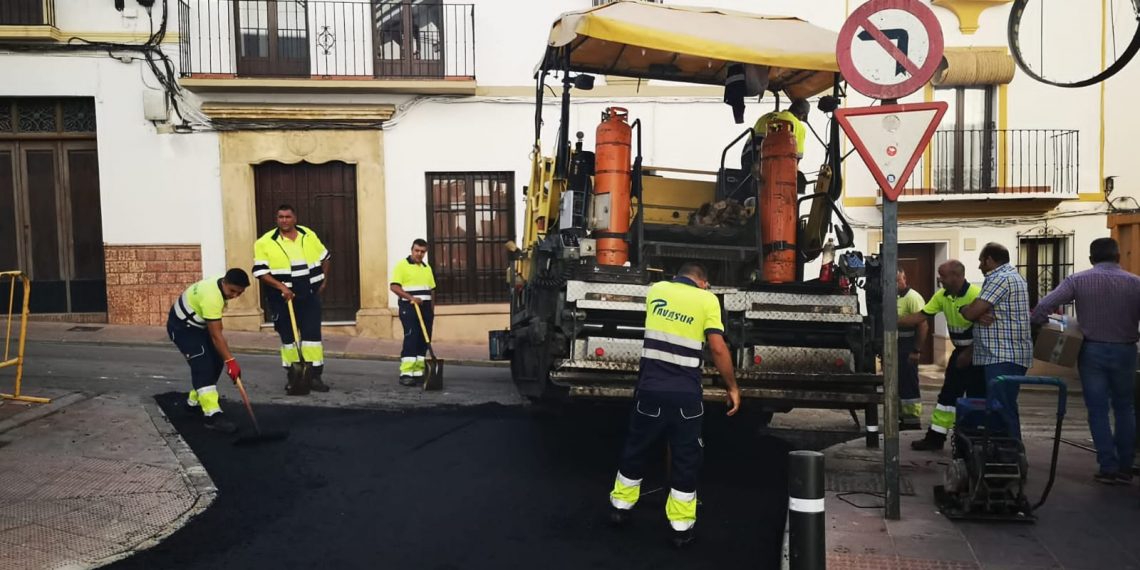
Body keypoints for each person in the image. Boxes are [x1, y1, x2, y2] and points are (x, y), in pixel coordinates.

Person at [607, 262, 740, 549]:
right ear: (703, 282)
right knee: (685, 457)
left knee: (636, 447)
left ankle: (620, 508)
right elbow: (717, 347)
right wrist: (732, 386)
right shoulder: (707, 300)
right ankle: (680, 528)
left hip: (650, 391)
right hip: (685, 397)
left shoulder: (657, 291)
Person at [1030, 237, 1140, 484]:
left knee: (1097, 409)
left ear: (1091, 259)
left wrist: (1039, 325)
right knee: (1125, 407)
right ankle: (1126, 466)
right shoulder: (1135, 283)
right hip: (1126, 350)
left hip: (1091, 351)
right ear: (1118, 257)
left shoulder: (1078, 280)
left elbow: (1044, 307)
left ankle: (1108, 467)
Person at [900, 260, 985, 451]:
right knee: (948, 396)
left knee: (976, 397)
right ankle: (936, 438)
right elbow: (921, 315)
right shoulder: (942, 295)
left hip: (978, 354)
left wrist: (970, 353)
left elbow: (987, 331)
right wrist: (892, 321)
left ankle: (973, 441)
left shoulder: (976, 296)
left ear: (957, 276)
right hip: (959, 352)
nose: (939, 279)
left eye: (943, 275)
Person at [252, 204, 331, 394]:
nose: (284, 220)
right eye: (280, 217)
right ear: (277, 219)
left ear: (295, 218)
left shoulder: (308, 234)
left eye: (288, 217)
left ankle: (314, 376)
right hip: (281, 297)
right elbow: (260, 272)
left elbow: (325, 257)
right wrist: (282, 287)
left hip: (309, 293)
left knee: (312, 337)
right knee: (288, 337)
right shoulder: (265, 242)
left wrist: (323, 281)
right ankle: (294, 377)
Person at [960, 242, 1033, 440]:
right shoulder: (1012, 276)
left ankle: (1011, 451)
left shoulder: (999, 278)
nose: (979, 266)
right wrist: (975, 311)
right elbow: (979, 311)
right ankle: (1000, 449)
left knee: (1003, 407)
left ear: (990, 260)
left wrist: (967, 310)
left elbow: (973, 311)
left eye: (981, 261)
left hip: (1003, 355)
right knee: (1000, 406)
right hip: (1004, 354)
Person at [167, 269, 251, 434]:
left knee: (216, 360)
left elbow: (216, 335)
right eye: (232, 291)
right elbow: (216, 335)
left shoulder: (219, 286)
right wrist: (231, 362)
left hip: (198, 326)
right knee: (203, 364)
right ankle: (212, 415)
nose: (234, 296)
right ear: (224, 282)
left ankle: (194, 403)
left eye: (239, 293)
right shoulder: (212, 297)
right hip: (182, 328)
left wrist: (226, 359)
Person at [390, 239, 436, 386]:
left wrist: (432, 310)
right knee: (412, 336)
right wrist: (411, 298)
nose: (419, 254)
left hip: (426, 308)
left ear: (425, 252)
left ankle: (418, 372)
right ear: (412, 250)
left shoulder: (426, 268)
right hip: (408, 307)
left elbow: (431, 290)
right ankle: (406, 373)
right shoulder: (402, 266)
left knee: (424, 339)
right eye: (417, 250)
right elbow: (394, 287)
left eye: (422, 251)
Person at [741, 98, 810, 177]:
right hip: (772, 167)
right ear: (803, 115)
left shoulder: (765, 117)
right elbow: (796, 158)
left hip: (748, 161)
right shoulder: (798, 126)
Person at [896, 268, 928, 431]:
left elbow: (922, 325)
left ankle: (912, 422)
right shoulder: (893, 296)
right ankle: (902, 418)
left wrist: (916, 350)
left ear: (904, 279)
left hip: (908, 346)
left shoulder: (913, 298)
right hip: (895, 346)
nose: (895, 284)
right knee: (898, 384)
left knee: (909, 384)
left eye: (898, 280)